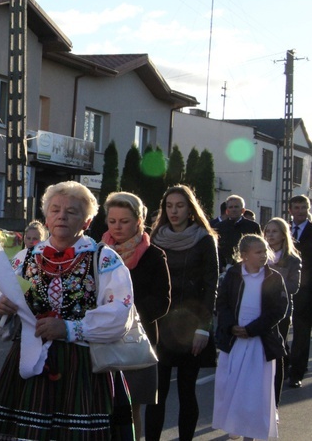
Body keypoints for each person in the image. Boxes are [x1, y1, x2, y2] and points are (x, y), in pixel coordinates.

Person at [0, 181, 135, 440]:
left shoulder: (102, 259)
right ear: (46, 217)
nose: (61, 215)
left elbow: (120, 314)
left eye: (72, 211)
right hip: (30, 365)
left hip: (82, 369)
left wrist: (69, 328)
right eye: (55, 209)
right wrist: (3, 309)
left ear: (86, 222)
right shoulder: (25, 260)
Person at [144, 185, 219, 441]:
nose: (173, 211)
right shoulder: (155, 238)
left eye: (179, 206)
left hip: (191, 327)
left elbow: (211, 286)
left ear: (190, 210)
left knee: (187, 391)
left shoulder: (204, 239)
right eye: (169, 206)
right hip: (160, 325)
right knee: (157, 392)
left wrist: (203, 328)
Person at [103, 192, 171, 440]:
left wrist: (124, 314)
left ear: (138, 221)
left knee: (131, 409)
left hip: (136, 340)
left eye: (124, 221)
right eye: (112, 221)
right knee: (98, 406)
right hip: (99, 337)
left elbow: (162, 302)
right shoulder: (97, 252)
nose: (117, 227)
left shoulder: (153, 255)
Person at [212, 234, 287, 440]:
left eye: (265, 251)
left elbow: (279, 309)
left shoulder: (273, 277)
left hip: (259, 342)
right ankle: (235, 425)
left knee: (255, 391)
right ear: (244, 255)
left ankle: (252, 433)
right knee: (232, 387)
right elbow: (223, 303)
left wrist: (253, 329)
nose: (263, 255)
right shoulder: (233, 275)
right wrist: (231, 326)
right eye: (258, 252)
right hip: (235, 341)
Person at [264, 217, 301, 402]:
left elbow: (294, 287)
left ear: (283, 235)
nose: (270, 235)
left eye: (274, 231)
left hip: (281, 311)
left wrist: (273, 282)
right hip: (257, 308)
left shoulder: (292, 259)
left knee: (277, 349)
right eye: (268, 231)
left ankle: (274, 398)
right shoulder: (258, 254)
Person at [287, 194, 312, 388]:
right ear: (290, 210)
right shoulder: (282, 230)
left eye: (303, 208)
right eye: (296, 208)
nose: (300, 211)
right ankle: (284, 363)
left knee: (302, 333)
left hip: (307, 290)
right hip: (283, 288)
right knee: (278, 330)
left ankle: (297, 372)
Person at [216, 195, 261, 272]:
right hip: (223, 270)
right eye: (231, 207)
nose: (233, 209)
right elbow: (216, 250)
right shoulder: (218, 227)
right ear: (227, 211)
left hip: (247, 269)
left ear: (243, 210)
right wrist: (221, 267)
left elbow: (259, 249)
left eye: (236, 207)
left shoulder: (253, 226)